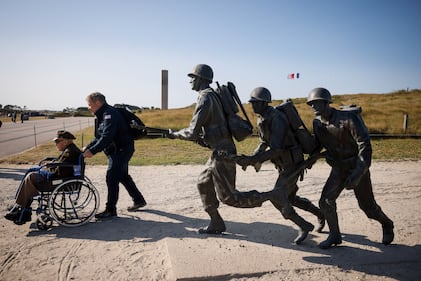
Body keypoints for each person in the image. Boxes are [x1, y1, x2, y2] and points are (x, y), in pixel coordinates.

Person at [168, 64, 292, 238]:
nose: (190, 80)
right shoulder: (212, 96)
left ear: (201, 79)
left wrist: (174, 134)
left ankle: (271, 195)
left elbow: (192, 131)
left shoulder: (206, 98)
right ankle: (216, 222)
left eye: (193, 77)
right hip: (217, 150)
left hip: (223, 151)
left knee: (229, 197)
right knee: (203, 182)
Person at [306, 87, 394, 249]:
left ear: (326, 103)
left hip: (356, 166)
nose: (313, 107)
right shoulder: (317, 123)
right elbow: (318, 145)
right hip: (338, 168)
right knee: (325, 202)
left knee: (368, 208)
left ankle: (387, 223)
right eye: (311, 104)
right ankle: (334, 235)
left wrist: (358, 174)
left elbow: (365, 146)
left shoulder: (348, 118)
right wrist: (309, 159)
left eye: (316, 103)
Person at [235, 87, 324, 244]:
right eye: (252, 103)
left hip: (292, 164)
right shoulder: (262, 118)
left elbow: (276, 149)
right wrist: (254, 157)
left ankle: (304, 225)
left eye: (255, 103)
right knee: (290, 197)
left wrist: (252, 160)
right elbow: (264, 142)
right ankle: (320, 214)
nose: (252, 106)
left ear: (264, 103)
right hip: (282, 164)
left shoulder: (276, 118)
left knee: (277, 197)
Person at [83, 92, 147, 218]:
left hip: (121, 151)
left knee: (112, 177)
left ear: (97, 102)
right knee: (122, 176)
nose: (89, 107)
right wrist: (88, 147)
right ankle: (139, 200)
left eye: (89, 104)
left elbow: (107, 137)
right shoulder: (104, 114)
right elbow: (100, 136)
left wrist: (93, 151)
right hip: (118, 150)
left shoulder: (109, 114)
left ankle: (110, 209)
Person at [4, 130, 82, 225]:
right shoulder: (69, 149)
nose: (56, 144)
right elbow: (61, 165)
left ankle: (21, 207)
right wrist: (51, 164)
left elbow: (61, 169)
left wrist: (49, 166)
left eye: (57, 142)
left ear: (65, 141)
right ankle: (20, 206)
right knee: (31, 171)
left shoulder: (70, 151)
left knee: (31, 176)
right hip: (59, 176)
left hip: (58, 179)